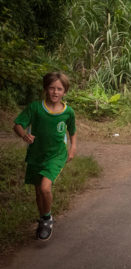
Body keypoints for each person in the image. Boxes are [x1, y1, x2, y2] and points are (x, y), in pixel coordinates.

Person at [13, 72, 77, 241]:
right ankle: (43, 219)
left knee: (45, 188)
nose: (55, 92)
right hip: (36, 155)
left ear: (65, 91)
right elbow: (18, 125)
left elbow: (72, 131)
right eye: (51, 88)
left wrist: (72, 148)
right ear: (45, 89)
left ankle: (48, 219)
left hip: (56, 155)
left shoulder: (68, 112)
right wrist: (23, 135)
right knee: (38, 192)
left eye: (59, 89)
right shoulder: (35, 108)